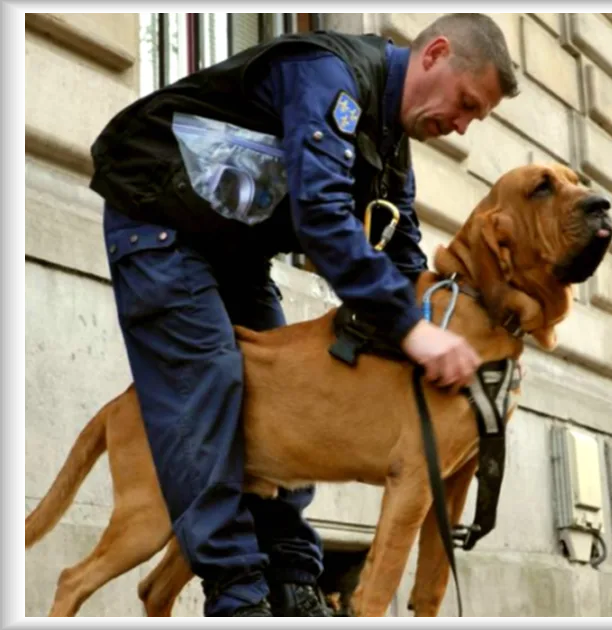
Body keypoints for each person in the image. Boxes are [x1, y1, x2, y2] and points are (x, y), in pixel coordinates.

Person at [87, 14, 520, 618]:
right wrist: (410, 328)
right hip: (158, 228)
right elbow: (322, 218)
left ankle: (293, 583)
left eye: (477, 117)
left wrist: (441, 325)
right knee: (211, 381)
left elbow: (401, 252)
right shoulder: (329, 76)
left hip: (234, 254)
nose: (461, 125)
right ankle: (239, 598)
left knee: (292, 386)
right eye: (467, 102)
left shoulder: (393, 146)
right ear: (435, 55)